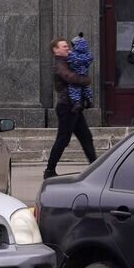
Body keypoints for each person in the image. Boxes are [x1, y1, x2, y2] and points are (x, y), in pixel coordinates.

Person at [45, 37, 97, 179]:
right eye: (64, 46)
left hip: (74, 107)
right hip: (66, 107)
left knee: (86, 137)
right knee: (63, 139)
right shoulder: (59, 64)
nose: (67, 48)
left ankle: (95, 167)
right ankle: (49, 170)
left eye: (68, 46)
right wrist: (86, 80)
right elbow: (71, 78)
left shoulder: (68, 61)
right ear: (56, 50)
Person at [66, 32, 95, 113]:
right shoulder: (88, 55)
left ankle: (76, 102)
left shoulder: (72, 55)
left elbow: (70, 60)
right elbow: (90, 59)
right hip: (84, 75)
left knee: (74, 89)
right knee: (86, 88)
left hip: (75, 76)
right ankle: (89, 100)